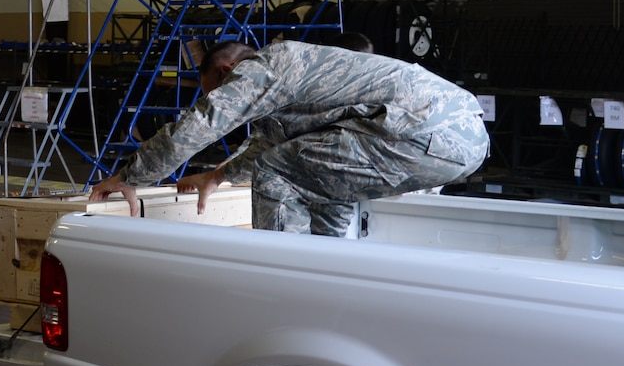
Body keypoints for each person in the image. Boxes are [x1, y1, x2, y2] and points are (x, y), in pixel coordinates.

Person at [91, 37, 487, 236]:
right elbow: (279, 145)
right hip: (462, 136)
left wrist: (130, 176)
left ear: (228, 70)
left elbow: (201, 124)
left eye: (211, 89)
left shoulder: (266, 67)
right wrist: (217, 176)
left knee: (274, 173)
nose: (217, 98)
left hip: (418, 128)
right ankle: (329, 275)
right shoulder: (295, 80)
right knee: (325, 183)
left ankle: (282, 279)